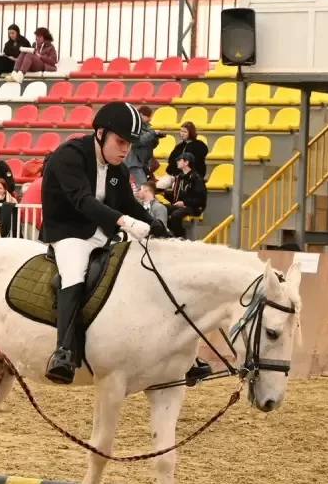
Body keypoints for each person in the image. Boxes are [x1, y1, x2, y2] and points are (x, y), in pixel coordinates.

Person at [38, 100, 201, 385]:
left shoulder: (118, 168)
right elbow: (83, 201)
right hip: (69, 232)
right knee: (74, 272)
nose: (126, 149)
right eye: (121, 141)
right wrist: (125, 222)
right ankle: (63, 351)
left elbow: (131, 205)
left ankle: (179, 352)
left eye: (130, 144)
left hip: (103, 232)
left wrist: (159, 230)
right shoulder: (69, 155)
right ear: (101, 133)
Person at [157, 151, 207, 239]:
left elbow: (200, 200)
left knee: (175, 215)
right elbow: (176, 194)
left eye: (179, 160)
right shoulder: (179, 177)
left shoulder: (196, 178)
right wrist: (163, 193)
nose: (177, 162)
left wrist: (184, 203)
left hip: (193, 207)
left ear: (186, 162)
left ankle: (179, 237)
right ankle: (165, 233)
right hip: (180, 205)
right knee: (161, 208)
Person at [123, 106, 162, 188]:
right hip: (134, 162)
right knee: (142, 187)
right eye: (147, 116)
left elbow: (151, 146)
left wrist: (156, 138)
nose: (149, 118)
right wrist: (152, 133)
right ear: (140, 114)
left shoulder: (147, 128)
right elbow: (137, 142)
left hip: (142, 162)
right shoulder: (134, 127)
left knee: (141, 186)